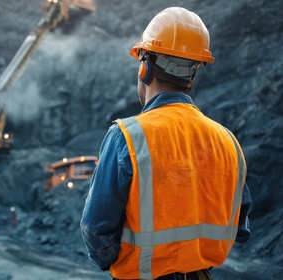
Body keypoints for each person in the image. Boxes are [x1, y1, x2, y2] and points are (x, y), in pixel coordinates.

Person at [80, 7, 252, 280]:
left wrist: (117, 263)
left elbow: (96, 229)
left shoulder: (126, 136)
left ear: (144, 69)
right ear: (192, 77)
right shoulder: (228, 142)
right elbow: (239, 227)